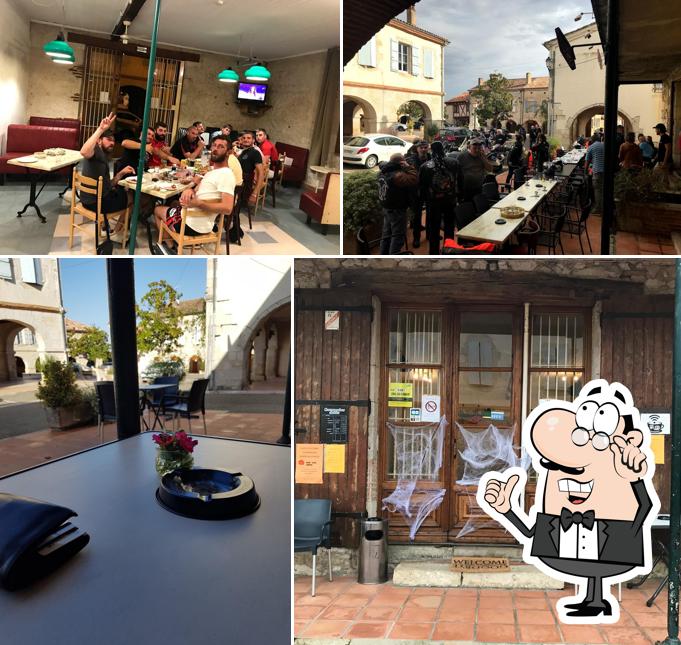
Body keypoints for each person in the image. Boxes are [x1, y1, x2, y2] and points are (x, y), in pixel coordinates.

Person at [154, 135, 235, 249]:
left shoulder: (226, 175)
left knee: (158, 209)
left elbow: (227, 208)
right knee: (173, 204)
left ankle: (170, 247)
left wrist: (198, 204)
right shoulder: (213, 171)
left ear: (228, 152)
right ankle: (172, 240)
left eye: (221, 147)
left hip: (192, 224)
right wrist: (191, 189)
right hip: (198, 220)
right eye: (214, 145)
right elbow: (200, 189)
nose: (215, 149)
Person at [78, 112, 134, 241]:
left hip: (87, 199)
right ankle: (119, 235)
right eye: (108, 139)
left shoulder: (101, 156)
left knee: (121, 191)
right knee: (132, 197)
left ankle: (107, 225)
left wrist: (121, 173)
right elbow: (83, 151)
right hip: (95, 203)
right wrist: (100, 129)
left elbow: (107, 185)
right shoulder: (96, 152)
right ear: (99, 141)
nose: (112, 143)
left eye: (113, 141)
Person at [419, 140, 460, 255]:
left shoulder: (425, 166)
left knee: (434, 228)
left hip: (433, 202)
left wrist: (422, 201)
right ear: (443, 149)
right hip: (450, 200)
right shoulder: (454, 163)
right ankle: (449, 251)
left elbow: (421, 187)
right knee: (449, 226)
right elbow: (460, 181)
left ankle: (434, 253)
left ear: (431, 150)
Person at [377, 153, 417, 255]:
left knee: (386, 235)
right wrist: (409, 167)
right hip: (397, 209)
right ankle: (393, 256)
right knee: (398, 236)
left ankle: (383, 255)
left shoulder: (382, 172)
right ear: (401, 162)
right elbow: (414, 179)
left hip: (386, 207)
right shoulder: (397, 175)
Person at [405, 139, 430, 248]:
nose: (424, 149)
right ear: (417, 149)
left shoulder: (432, 158)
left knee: (431, 213)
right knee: (417, 215)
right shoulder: (410, 160)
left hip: (429, 190)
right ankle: (416, 238)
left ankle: (430, 235)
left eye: (425, 147)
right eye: (421, 147)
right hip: (416, 192)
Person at [237, 131, 265, 210]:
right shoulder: (243, 151)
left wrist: (255, 193)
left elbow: (261, 173)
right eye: (244, 138)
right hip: (239, 182)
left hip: (244, 186)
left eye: (248, 138)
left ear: (253, 140)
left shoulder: (255, 153)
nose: (246, 140)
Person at [585, 134, 605, 214]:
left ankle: (598, 208)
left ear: (592, 140)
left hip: (597, 171)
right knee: (603, 190)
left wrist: (585, 172)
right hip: (606, 171)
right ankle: (604, 207)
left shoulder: (591, 147)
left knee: (597, 190)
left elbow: (587, 162)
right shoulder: (604, 145)